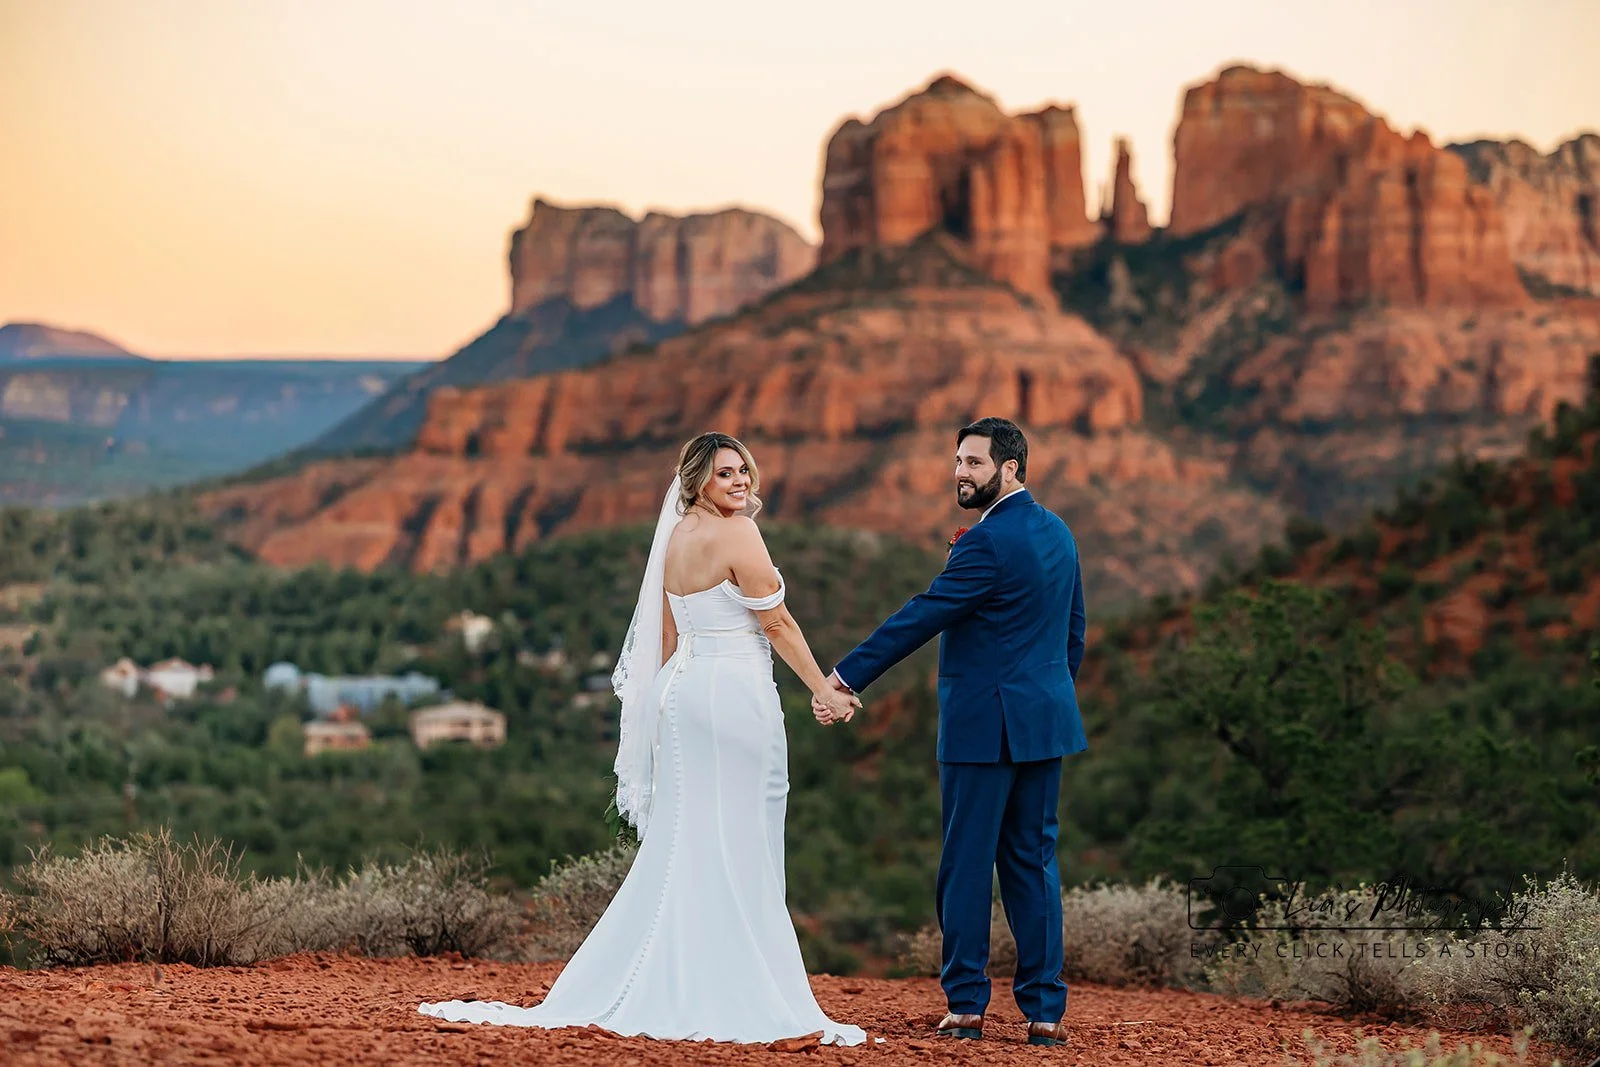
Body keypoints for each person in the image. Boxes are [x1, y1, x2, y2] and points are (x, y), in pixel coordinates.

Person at [420, 431, 866, 1046]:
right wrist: (823, 688)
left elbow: (665, 631)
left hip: (682, 695)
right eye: (723, 474)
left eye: (743, 471)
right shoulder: (738, 534)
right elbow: (778, 621)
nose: (739, 482)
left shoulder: (678, 536)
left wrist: (658, 704)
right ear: (697, 482)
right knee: (739, 831)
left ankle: (681, 970)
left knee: (688, 836)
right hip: (732, 694)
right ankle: (732, 982)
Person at [817, 416, 1088, 1047]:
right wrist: (1043, 698)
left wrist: (845, 678)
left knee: (966, 864)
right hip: (1044, 724)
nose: (959, 472)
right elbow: (1073, 631)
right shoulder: (1059, 532)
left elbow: (923, 615)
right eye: (957, 460)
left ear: (1010, 468)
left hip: (981, 730)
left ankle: (966, 1004)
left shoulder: (985, 544)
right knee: (1034, 862)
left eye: (973, 462)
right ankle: (1045, 1012)